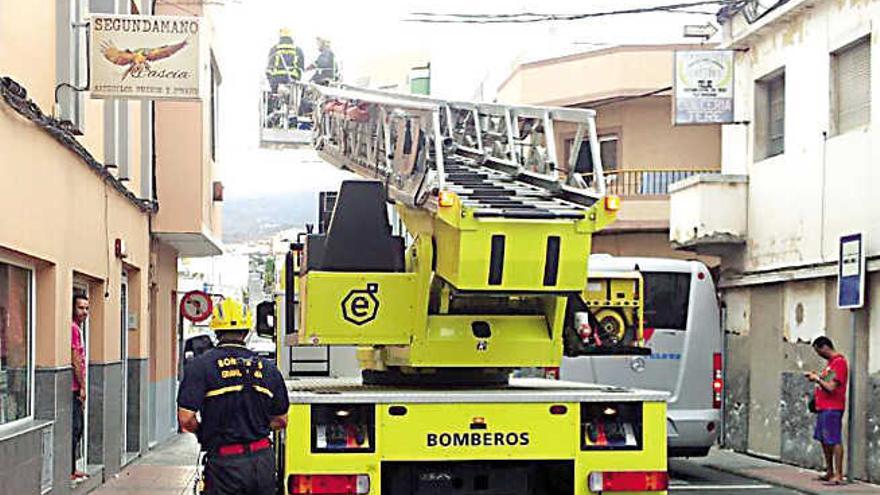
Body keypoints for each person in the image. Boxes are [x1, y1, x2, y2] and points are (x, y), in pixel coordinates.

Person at [177, 298, 289, 495]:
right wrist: (256, 425)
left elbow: (186, 418)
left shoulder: (201, 366)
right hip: (262, 462)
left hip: (224, 464)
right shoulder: (269, 369)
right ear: (246, 332)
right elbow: (281, 420)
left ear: (216, 330)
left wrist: (206, 432)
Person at [805, 336, 848, 485]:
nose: (819, 355)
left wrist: (817, 379)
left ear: (824, 347)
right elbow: (827, 383)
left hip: (833, 407)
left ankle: (838, 474)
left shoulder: (839, 363)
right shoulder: (831, 365)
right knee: (824, 440)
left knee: (834, 439)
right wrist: (818, 378)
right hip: (823, 407)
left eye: (818, 351)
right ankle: (830, 471)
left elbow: (831, 387)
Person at [71, 294, 89, 481]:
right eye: (80, 308)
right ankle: (70, 470)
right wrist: (82, 387)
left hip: (75, 387)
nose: (84, 312)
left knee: (78, 428)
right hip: (73, 388)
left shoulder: (77, 329)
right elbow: (76, 358)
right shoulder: (73, 329)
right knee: (75, 428)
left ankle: (73, 468)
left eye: (86, 308)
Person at [265, 28, 304, 93]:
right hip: (292, 80)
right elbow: (301, 68)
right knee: (293, 100)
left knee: (274, 100)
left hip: (276, 80)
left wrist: (271, 82)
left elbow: (269, 68)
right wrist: (297, 79)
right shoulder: (298, 50)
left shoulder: (274, 49)